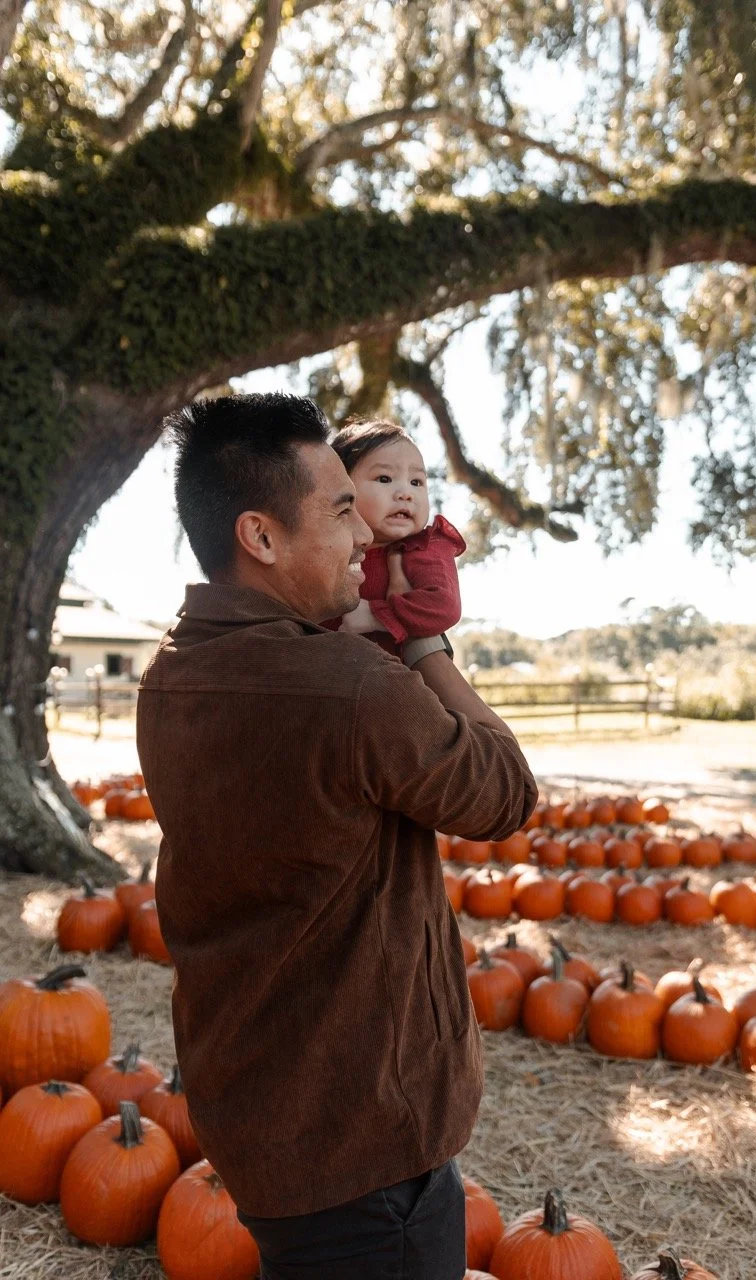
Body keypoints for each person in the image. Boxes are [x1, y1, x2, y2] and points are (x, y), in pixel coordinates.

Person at [135, 392, 537, 1280]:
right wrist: (427, 646)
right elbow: (504, 794)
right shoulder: (348, 687)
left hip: (256, 1108)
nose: (365, 538)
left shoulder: (170, 673)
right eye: (341, 509)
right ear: (261, 536)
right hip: (366, 1139)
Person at [322, 417, 465, 656]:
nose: (405, 494)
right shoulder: (326, 547)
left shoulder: (421, 547)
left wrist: (376, 615)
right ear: (342, 488)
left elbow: (444, 605)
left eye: (416, 482)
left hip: (400, 683)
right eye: (385, 479)